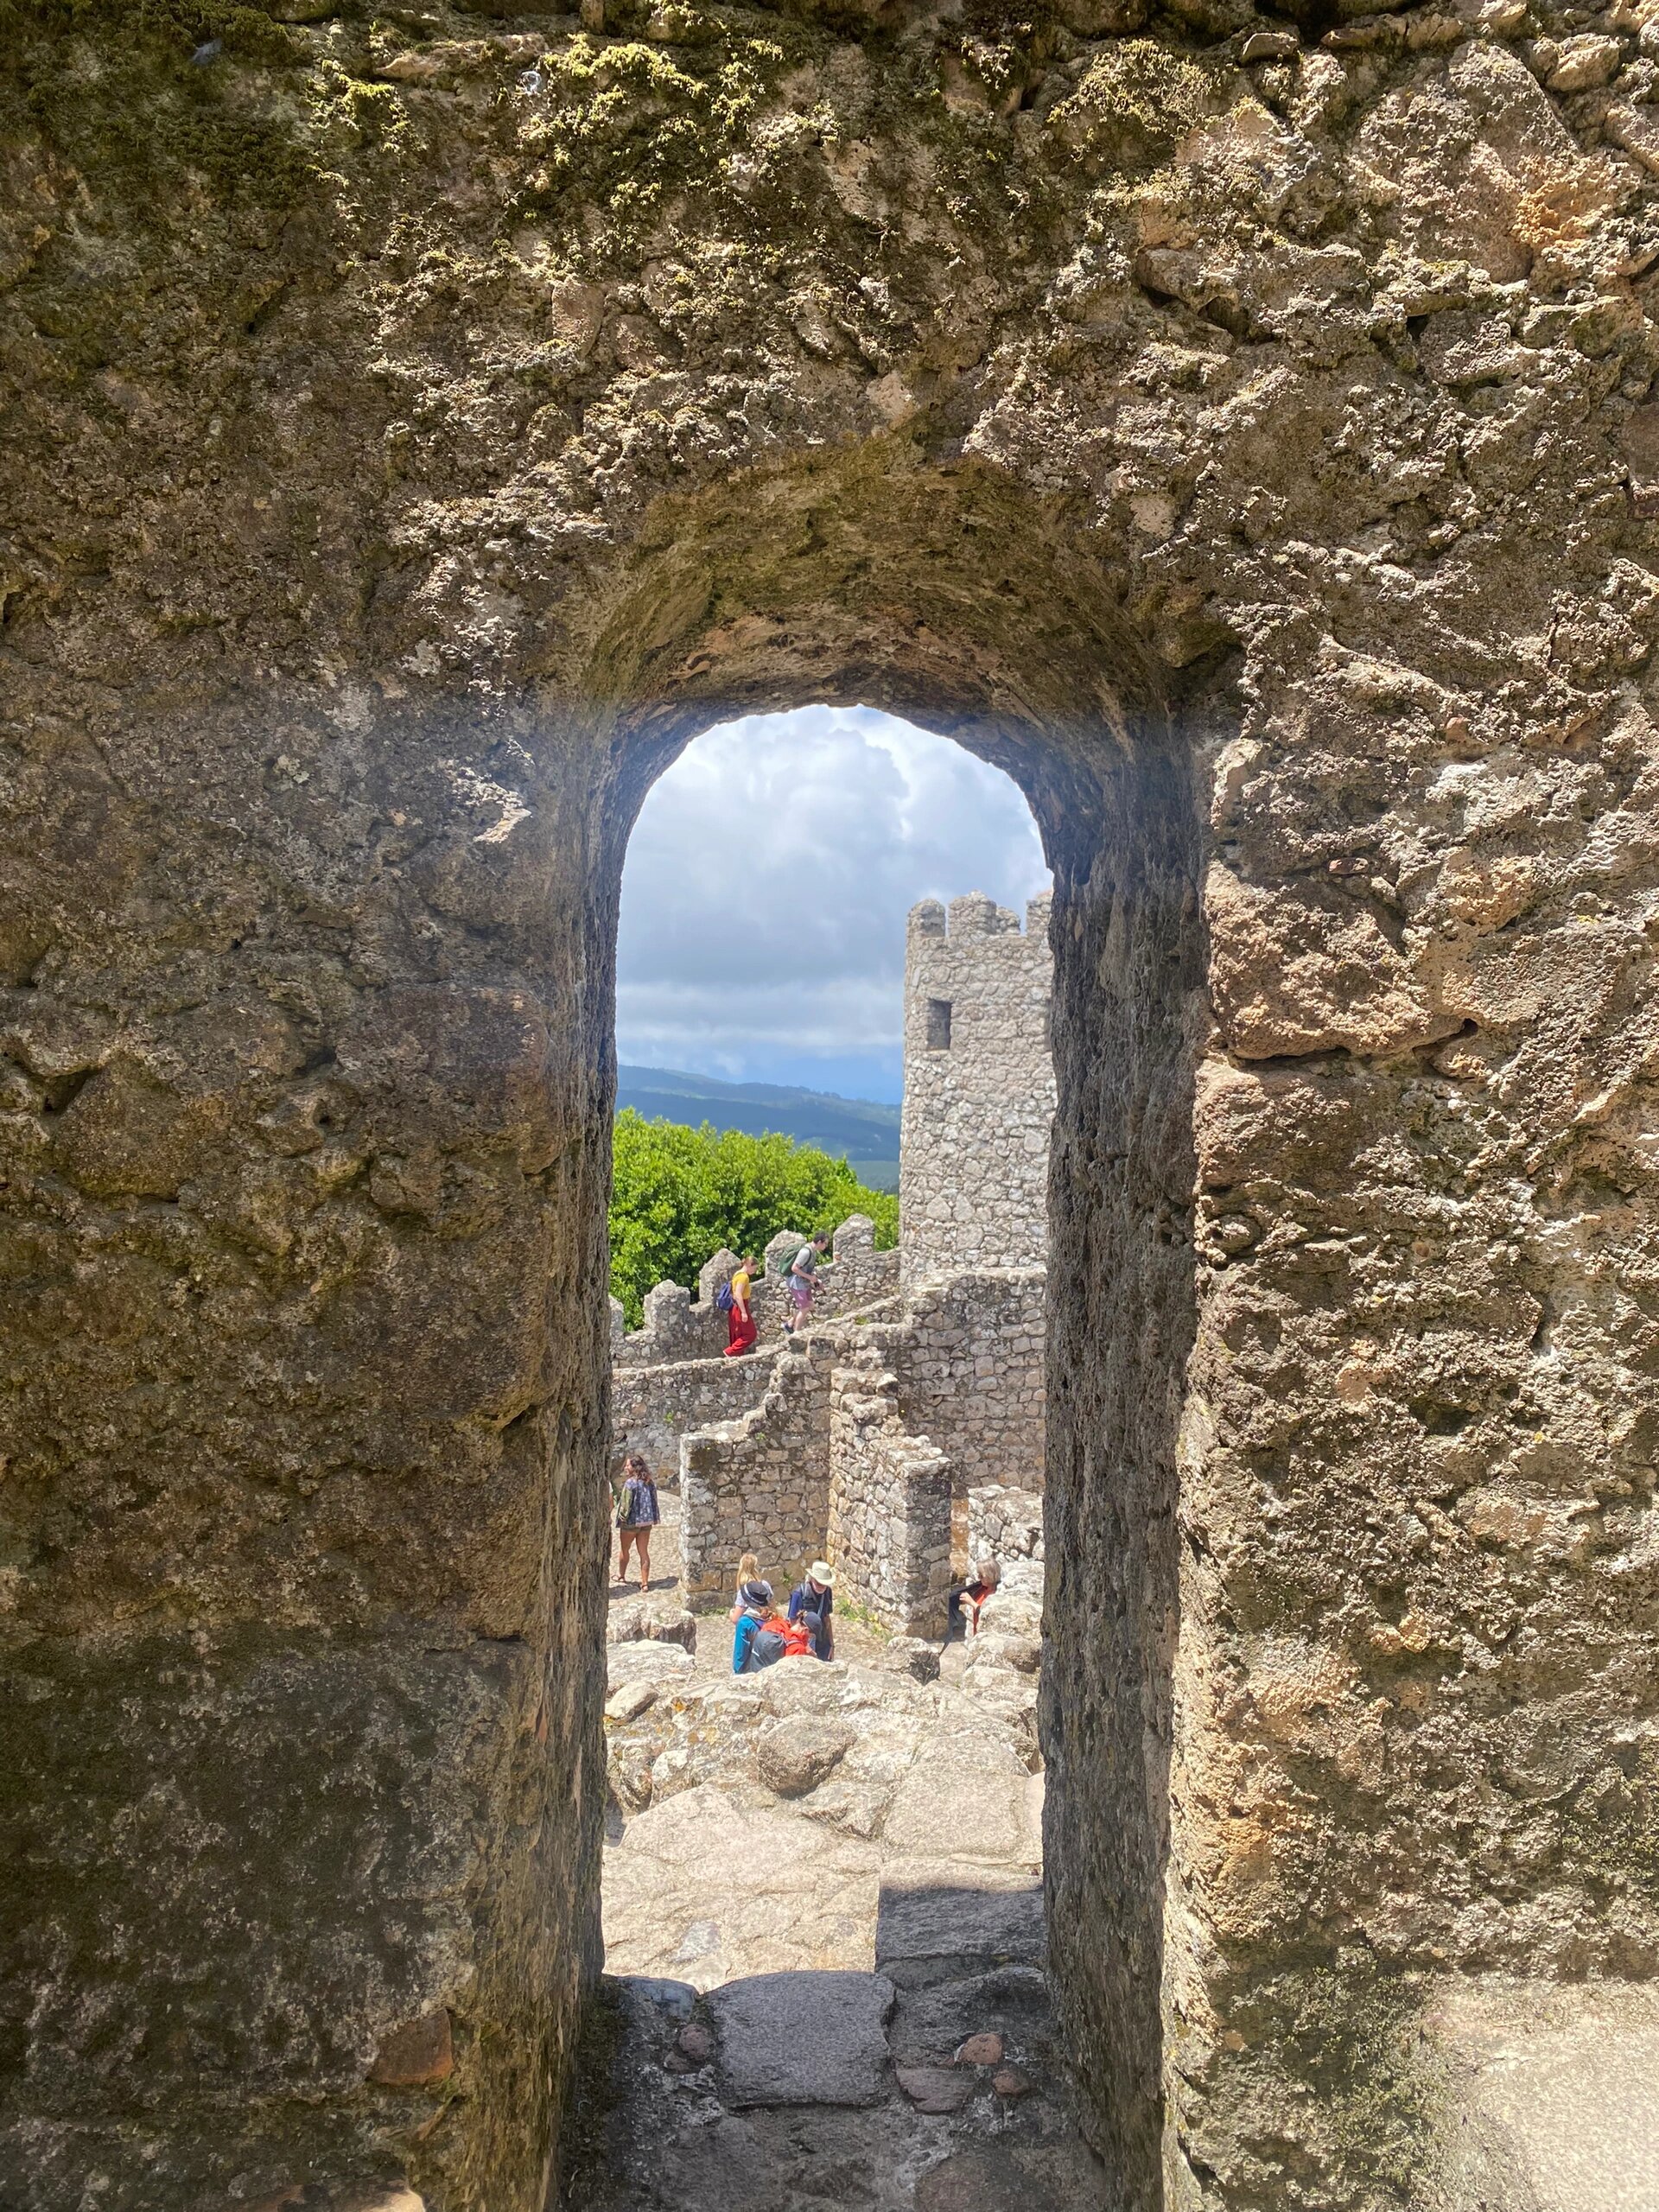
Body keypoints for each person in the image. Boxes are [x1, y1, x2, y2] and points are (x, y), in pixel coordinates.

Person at [615, 1452, 660, 1592]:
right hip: (646, 1522)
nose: (625, 1468)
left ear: (635, 1468)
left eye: (628, 1465)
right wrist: (654, 1518)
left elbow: (626, 1504)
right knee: (644, 1552)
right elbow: (654, 1501)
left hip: (631, 1522)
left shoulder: (630, 1483)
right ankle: (645, 1583)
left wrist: (621, 1518)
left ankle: (621, 1575)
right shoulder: (649, 1482)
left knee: (624, 1549)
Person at [733, 1579, 789, 1673]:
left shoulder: (744, 1623)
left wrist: (737, 1675)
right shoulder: (774, 1617)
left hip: (752, 1670)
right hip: (771, 1668)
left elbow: (740, 1655)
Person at [783, 1231, 830, 1334]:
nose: (826, 1246)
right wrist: (810, 1278)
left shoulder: (813, 1251)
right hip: (797, 1284)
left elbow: (807, 1269)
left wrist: (816, 1280)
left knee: (810, 1305)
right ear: (819, 1242)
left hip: (804, 1283)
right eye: (825, 1243)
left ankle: (790, 1323)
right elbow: (794, 1268)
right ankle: (796, 1334)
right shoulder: (806, 1252)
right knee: (804, 1308)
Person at [787, 1560, 836, 1659]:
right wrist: (804, 1646)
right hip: (805, 1640)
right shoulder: (799, 1593)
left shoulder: (828, 1592)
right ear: (811, 1579)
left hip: (822, 1641)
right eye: (819, 1583)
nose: (822, 1587)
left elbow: (827, 1618)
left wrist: (832, 1645)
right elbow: (793, 1622)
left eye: (824, 1584)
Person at [946, 1557, 1001, 1641]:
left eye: (981, 1575)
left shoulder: (996, 1594)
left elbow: (989, 1616)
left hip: (987, 1637)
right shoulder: (981, 1588)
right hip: (977, 1633)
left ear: (990, 1575)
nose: (979, 1577)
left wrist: (972, 1603)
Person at [723, 1255, 759, 1357]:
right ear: (749, 1265)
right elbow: (738, 1294)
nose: (755, 1271)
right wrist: (743, 1312)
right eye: (754, 1268)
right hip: (740, 1306)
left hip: (734, 1307)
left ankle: (736, 1355)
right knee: (750, 1334)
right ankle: (730, 1351)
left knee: (738, 1333)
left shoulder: (737, 1274)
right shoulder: (743, 1277)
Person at [728, 1551, 762, 1623]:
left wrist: (731, 1613)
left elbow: (735, 1619)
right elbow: (773, 1607)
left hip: (751, 1627)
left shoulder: (743, 1591)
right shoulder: (765, 1585)